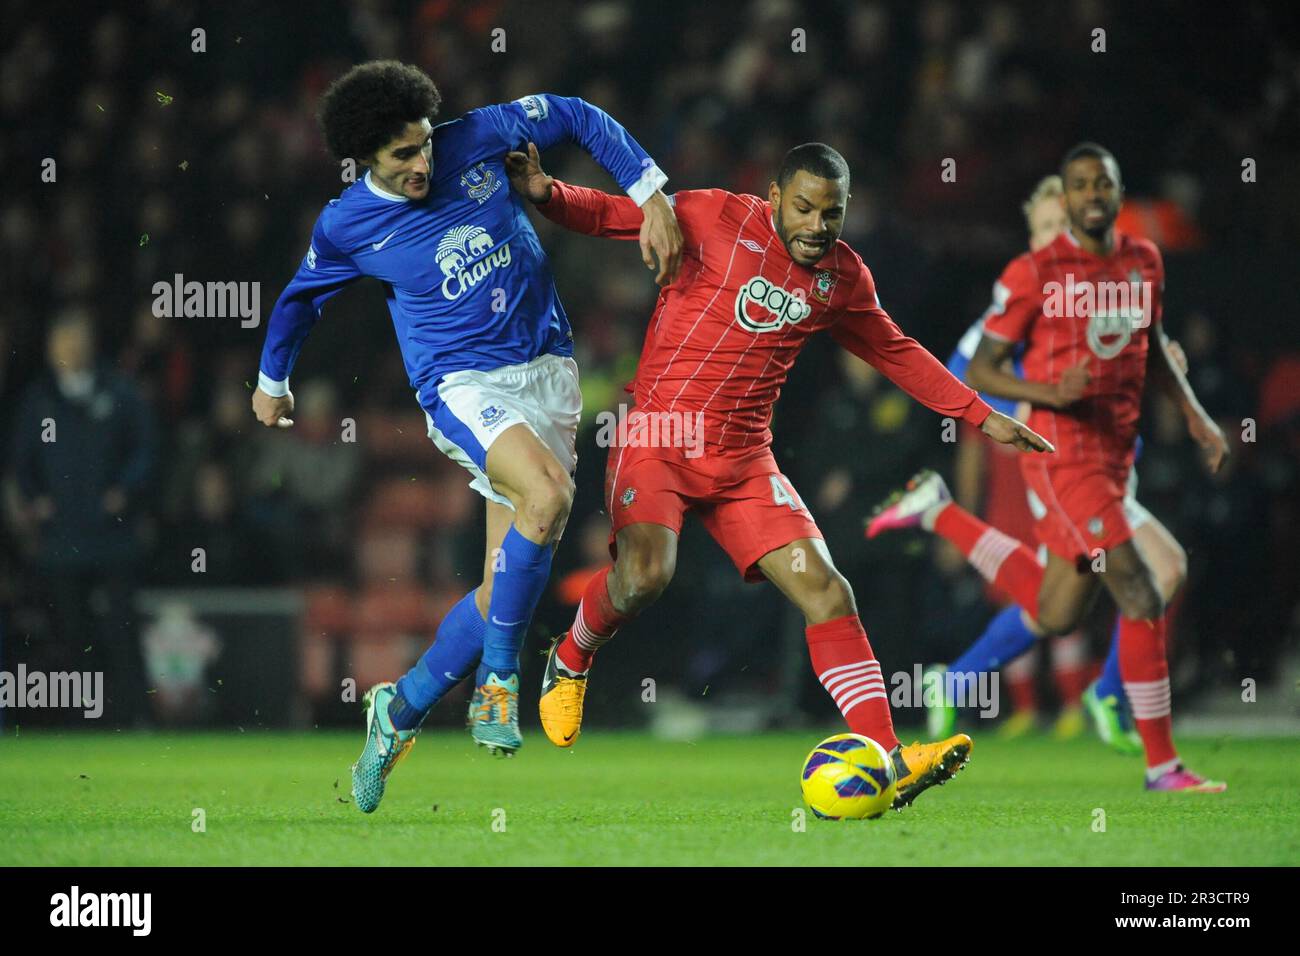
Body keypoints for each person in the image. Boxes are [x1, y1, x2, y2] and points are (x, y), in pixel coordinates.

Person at [506, 140, 1053, 809]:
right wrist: (545, 193)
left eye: (833, 214)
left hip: (743, 462)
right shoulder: (712, 217)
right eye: (804, 208)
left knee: (827, 592)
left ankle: (891, 756)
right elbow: (617, 215)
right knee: (647, 574)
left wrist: (978, 415)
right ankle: (574, 653)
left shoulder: (844, 279)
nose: (818, 226)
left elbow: (896, 352)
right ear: (773, 198)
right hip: (659, 439)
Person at [251, 60, 682, 812]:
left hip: (547, 370)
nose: (421, 164)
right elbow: (297, 302)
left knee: (500, 585)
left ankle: (400, 709)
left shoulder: (476, 136)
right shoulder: (347, 223)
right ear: (366, 161)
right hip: (460, 386)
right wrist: (272, 382)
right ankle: (497, 685)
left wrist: (650, 193)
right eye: (402, 157)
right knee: (545, 499)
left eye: (423, 146)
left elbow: (576, 113)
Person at [873, 143, 1226, 793]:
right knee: (1148, 580)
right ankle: (1139, 735)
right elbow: (966, 372)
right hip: (1054, 457)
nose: (1051, 235)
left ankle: (941, 539)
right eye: (1042, 224)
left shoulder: (1131, 266)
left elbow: (1137, 344)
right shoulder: (1029, 280)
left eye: (1055, 223)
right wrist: (1031, 405)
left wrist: (1186, 402)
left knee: (1057, 609)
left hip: (1115, 456)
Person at [10, 308, 157, 726]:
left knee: (122, 628)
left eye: (77, 339)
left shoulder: (119, 392)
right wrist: (34, 497)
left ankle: (136, 717)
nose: (70, 348)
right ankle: (80, 720)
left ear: (91, 343)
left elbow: (145, 449)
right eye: (62, 340)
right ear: (50, 347)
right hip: (61, 539)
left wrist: (125, 490)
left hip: (113, 536)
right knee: (72, 633)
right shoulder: (39, 402)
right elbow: (21, 461)